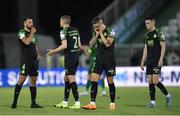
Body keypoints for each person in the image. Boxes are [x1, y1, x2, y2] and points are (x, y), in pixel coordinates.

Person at [47, 15, 81, 109]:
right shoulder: (75, 30)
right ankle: (65, 102)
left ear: (63, 22)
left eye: (60, 21)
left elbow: (64, 45)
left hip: (69, 57)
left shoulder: (63, 31)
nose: (59, 23)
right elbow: (79, 45)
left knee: (71, 78)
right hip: (75, 56)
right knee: (66, 78)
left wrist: (53, 51)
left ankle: (77, 102)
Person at [82, 17, 116, 110]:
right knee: (93, 78)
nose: (96, 28)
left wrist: (100, 33)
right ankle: (92, 103)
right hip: (99, 60)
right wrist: (96, 35)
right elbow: (91, 44)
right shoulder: (96, 32)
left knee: (110, 81)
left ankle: (112, 102)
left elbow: (107, 44)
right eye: (94, 27)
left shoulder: (111, 31)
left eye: (97, 26)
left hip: (109, 60)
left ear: (101, 23)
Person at [11, 18, 43, 108]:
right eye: (29, 22)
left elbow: (35, 45)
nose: (31, 24)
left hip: (34, 61)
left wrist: (38, 54)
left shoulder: (33, 35)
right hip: (26, 60)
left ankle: (33, 103)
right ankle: (14, 102)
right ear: (24, 23)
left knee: (33, 81)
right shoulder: (21, 32)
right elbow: (27, 42)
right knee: (21, 80)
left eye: (32, 22)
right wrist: (32, 33)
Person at [140, 17, 171, 108]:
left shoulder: (159, 33)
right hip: (149, 61)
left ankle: (168, 95)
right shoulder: (147, 35)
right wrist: (142, 61)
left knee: (155, 81)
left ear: (153, 23)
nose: (146, 25)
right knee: (150, 81)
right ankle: (153, 102)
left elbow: (163, 46)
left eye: (148, 23)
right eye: (145, 23)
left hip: (156, 61)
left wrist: (161, 59)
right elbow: (145, 49)